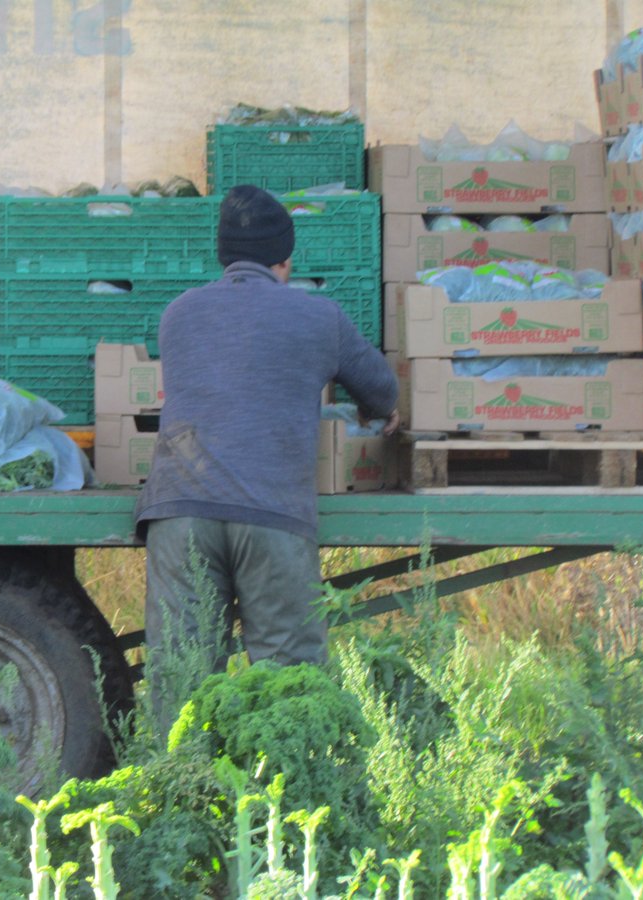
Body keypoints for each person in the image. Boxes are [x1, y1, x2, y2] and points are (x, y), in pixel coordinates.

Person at [134, 183, 400, 728]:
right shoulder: (319, 318)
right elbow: (382, 390)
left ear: (223, 255)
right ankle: (289, 802)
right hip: (272, 518)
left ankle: (173, 796)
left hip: (181, 511)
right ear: (286, 259)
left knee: (181, 684)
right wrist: (380, 412)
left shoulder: (179, 314)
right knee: (289, 684)